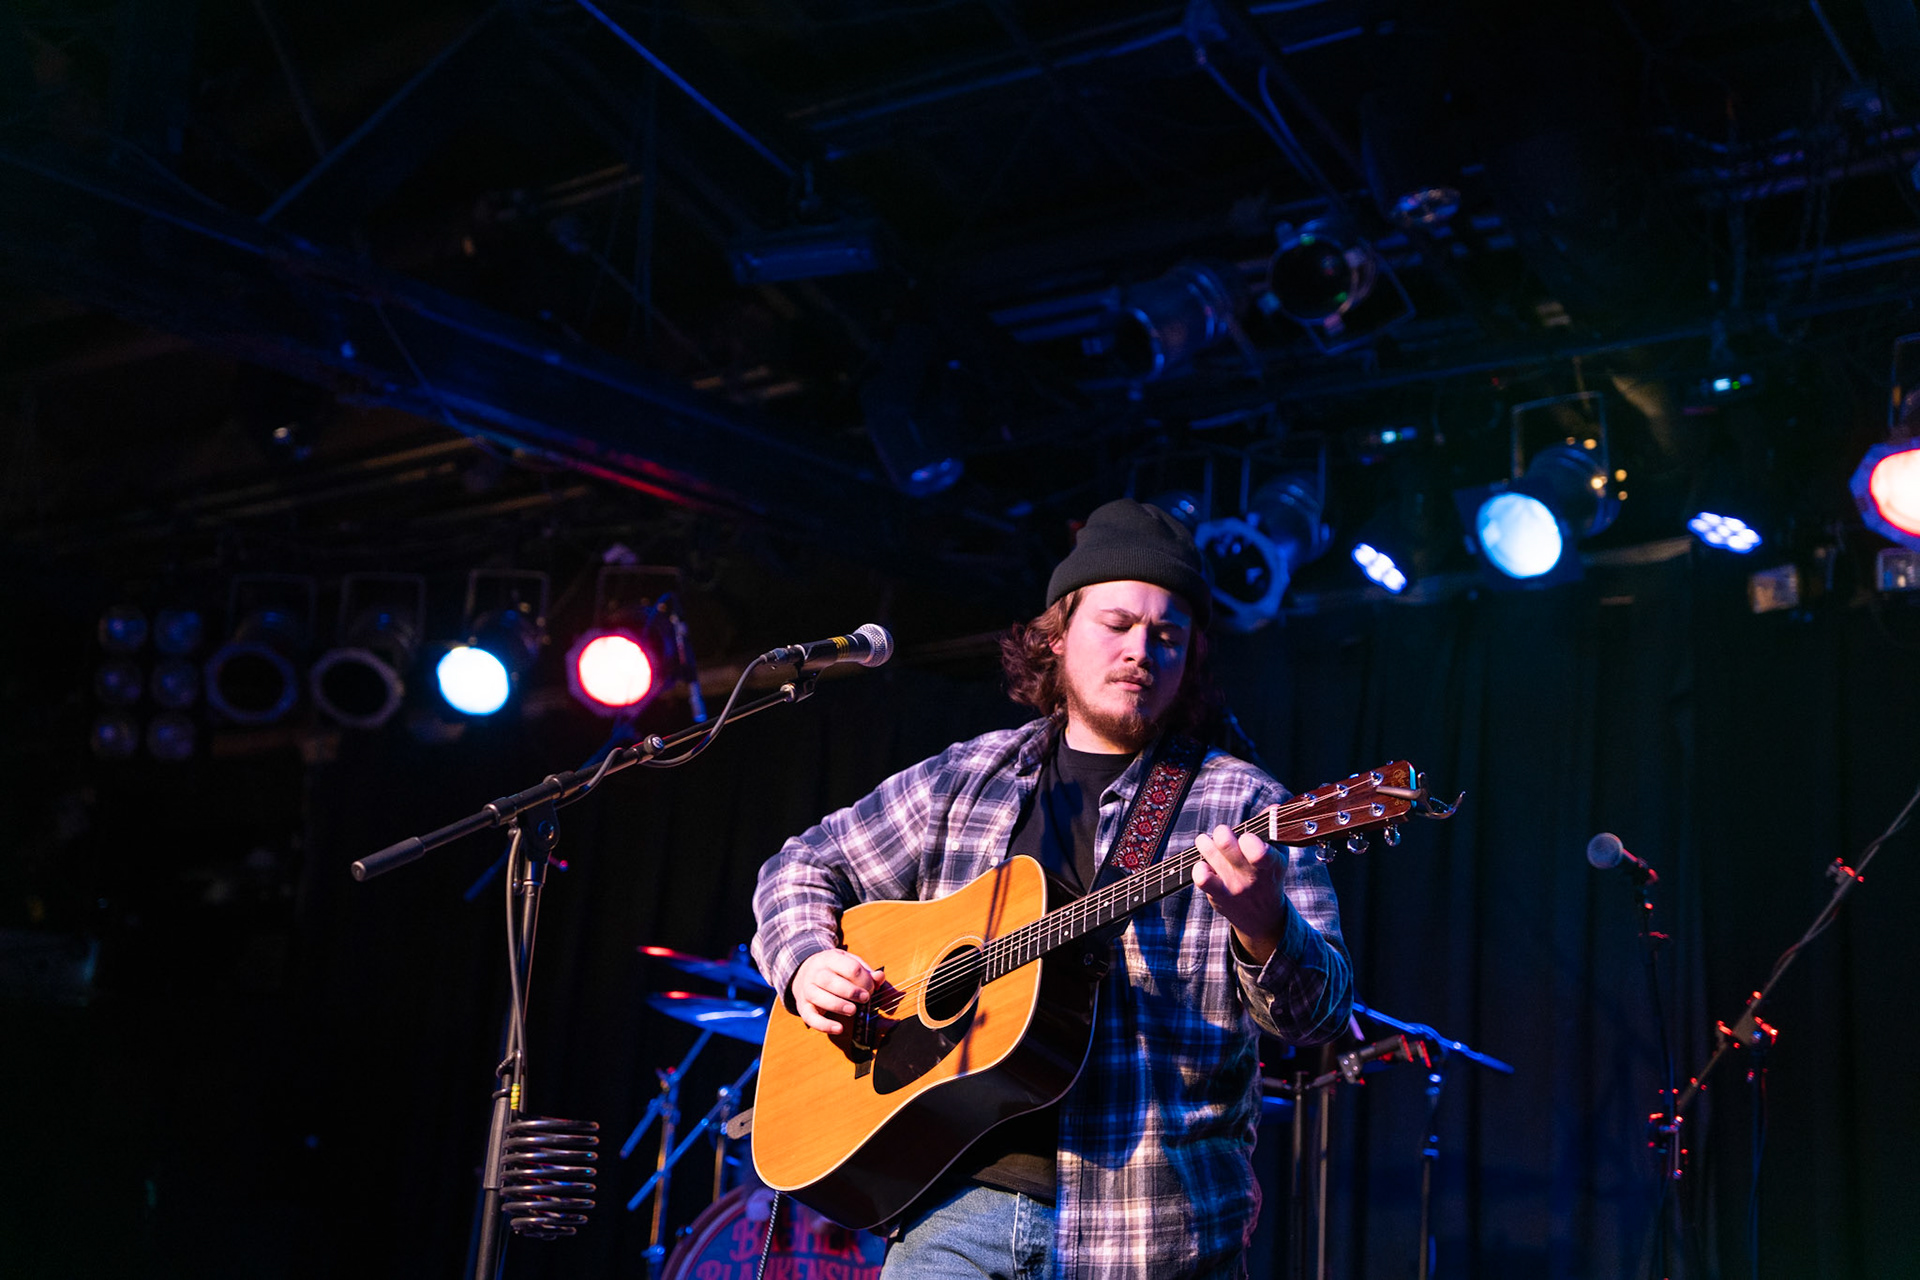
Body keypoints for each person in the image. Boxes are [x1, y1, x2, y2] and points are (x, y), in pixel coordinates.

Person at [751, 499, 1353, 1279]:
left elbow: (1320, 1013)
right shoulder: (971, 776)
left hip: (1152, 1233)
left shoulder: (1241, 806)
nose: (1141, 651)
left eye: (1167, 636)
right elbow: (801, 865)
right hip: (950, 1212)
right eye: (1117, 624)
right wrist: (805, 961)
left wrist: (1265, 926)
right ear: (1058, 634)